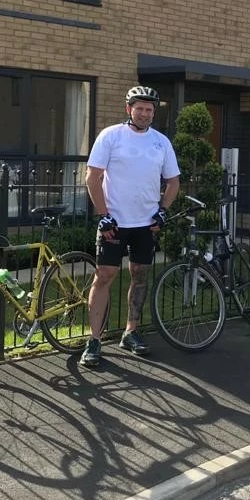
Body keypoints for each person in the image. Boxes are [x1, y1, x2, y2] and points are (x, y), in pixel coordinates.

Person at [78, 86, 181, 368]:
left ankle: (131, 331)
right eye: (140, 108)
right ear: (129, 109)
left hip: (146, 225)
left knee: (140, 276)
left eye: (150, 109)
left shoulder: (161, 142)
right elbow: (92, 177)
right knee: (105, 276)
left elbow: (173, 182)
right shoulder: (111, 136)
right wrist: (103, 215)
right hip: (114, 223)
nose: (145, 114)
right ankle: (95, 339)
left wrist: (163, 211)